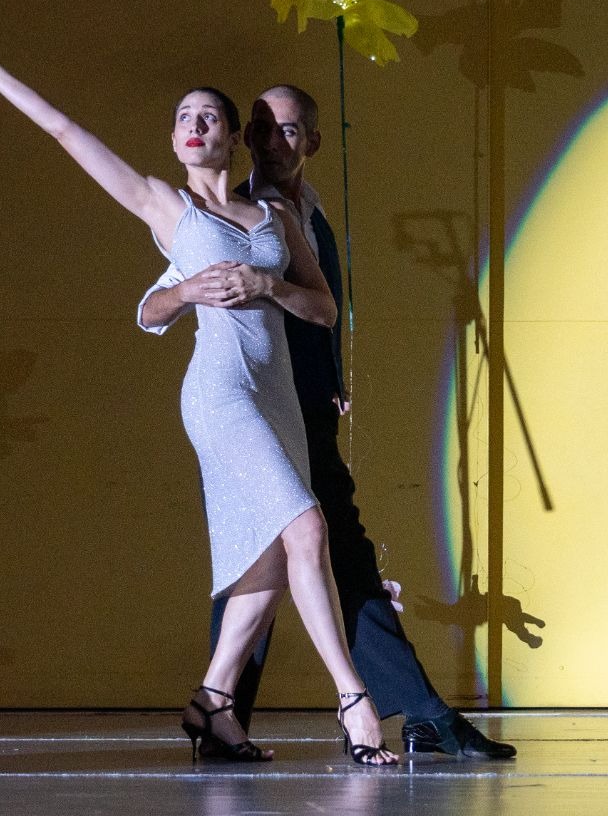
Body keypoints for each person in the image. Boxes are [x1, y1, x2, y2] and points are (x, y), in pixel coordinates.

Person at [0, 53, 398, 765]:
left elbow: (323, 308)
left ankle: (214, 701)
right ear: (174, 140)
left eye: (209, 116)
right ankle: (354, 701)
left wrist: (267, 284)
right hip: (220, 393)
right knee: (306, 527)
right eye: (183, 118)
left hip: (278, 398)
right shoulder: (168, 206)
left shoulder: (275, 215)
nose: (195, 125)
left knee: (266, 558)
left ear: (233, 136)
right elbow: (65, 133)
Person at [138, 85, 516, 759]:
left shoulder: (298, 211)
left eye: (285, 130)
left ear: (311, 141)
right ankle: (398, 709)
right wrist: (192, 293)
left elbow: (318, 307)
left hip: (303, 405)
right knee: (298, 548)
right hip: (252, 407)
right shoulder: (224, 213)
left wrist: (330, 378)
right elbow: (171, 298)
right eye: (259, 128)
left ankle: (226, 712)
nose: (270, 141)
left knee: (303, 550)